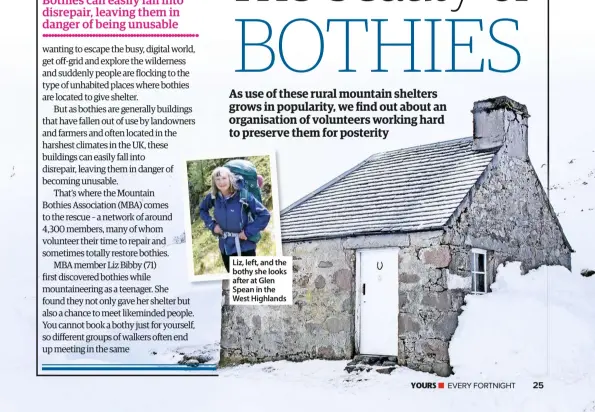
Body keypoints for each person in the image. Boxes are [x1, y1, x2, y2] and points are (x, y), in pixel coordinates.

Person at [199, 166, 271, 273]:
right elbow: (202, 210)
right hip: (226, 249)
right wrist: (212, 226)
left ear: (230, 178)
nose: (221, 182)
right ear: (214, 182)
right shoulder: (213, 197)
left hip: (245, 247)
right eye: (217, 179)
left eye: (224, 178)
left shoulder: (243, 195)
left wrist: (247, 232)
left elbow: (264, 214)